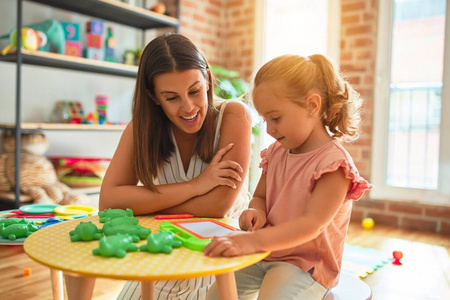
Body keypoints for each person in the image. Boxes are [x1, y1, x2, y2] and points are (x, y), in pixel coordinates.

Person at [204, 54, 373, 300]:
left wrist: (251, 242)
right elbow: (260, 195)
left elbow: (311, 224)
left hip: (305, 264)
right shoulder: (275, 152)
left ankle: (319, 294)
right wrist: (256, 211)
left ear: (312, 105)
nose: (270, 129)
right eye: (265, 120)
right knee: (217, 294)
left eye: (276, 118)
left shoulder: (334, 165)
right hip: (266, 252)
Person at [99, 33, 252, 299]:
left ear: (206, 78)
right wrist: (197, 186)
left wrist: (146, 204)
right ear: (154, 96)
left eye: (194, 91)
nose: (189, 107)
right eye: (172, 98)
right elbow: (108, 201)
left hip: (222, 257)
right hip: (164, 253)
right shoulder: (140, 130)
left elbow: (218, 206)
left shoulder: (234, 115)